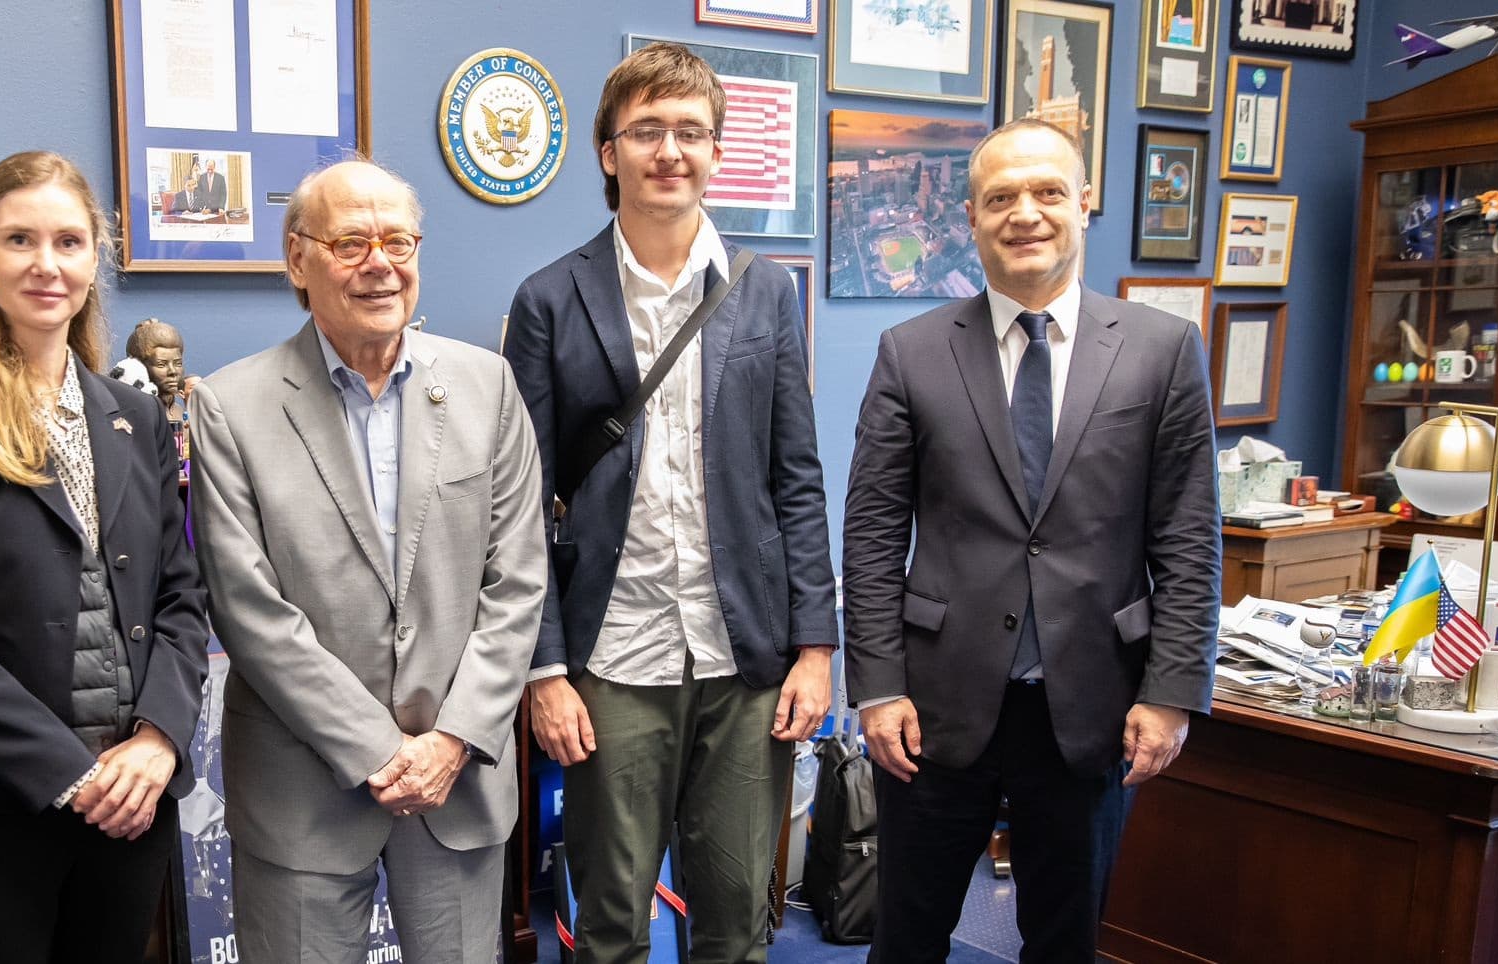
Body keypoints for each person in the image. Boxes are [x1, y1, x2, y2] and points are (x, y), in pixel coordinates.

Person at [841, 118, 1219, 962]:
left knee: (1063, 940)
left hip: (1093, 704)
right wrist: (875, 687)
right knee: (907, 939)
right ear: (971, 218)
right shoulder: (912, 353)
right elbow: (870, 534)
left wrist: (1172, 692)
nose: (1025, 214)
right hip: (933, 707)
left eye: (1048, 192)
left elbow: (1189, 538)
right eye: (1001, 197)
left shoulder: (1162, 351)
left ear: (1084, 204)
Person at [501, 42, 836, 963]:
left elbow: (797, 478)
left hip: (747, 656)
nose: (670, 151)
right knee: (609, 922)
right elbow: (518, 505)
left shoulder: (765, 293)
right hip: (612, 655)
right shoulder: (549, 300)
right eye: (647, 130)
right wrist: (543, 670)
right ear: (609, 152)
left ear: (717, 152)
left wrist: (816, 647)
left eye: (690, 131)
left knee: (737, 919)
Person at [188, 159, 544, 962]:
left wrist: (452, 740)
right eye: (350, 242)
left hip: (457, 781)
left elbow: (518, 582)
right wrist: (378, 751)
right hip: (300, 788)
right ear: (297, 259)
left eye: (398, 241)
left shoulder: (488, 386)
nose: (379, 264)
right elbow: (248, 608)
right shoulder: (230, 407)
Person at [0, 150, 209, 964]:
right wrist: (71, 774)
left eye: (68, 242)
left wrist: (159, 740)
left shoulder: (136, 417)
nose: (46, 265)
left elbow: (180, 598)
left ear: (94, 260)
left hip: (133, 803)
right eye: (19, 239)